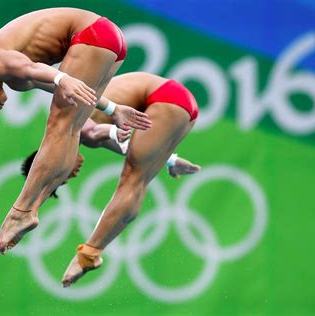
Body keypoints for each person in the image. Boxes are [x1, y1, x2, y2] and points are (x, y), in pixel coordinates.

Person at [0, 8, 152, 254]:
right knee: (71, 128)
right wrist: (113, 108)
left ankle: (20, 210)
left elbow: (33, 69)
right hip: (110, 40)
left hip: (92, 34)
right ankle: (33, 207)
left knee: (59, 126)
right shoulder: (13, 80)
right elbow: (59, 84)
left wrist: (62, 79)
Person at [20, 72, 200, 286]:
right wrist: (169, 160)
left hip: (166, 97)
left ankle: (89, 254)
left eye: (64, 176)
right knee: (136, 175)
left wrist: (113, 131)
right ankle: (90, 253)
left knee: (133, 180)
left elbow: (95, 130)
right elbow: (131, 149)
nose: (74, 174)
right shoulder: (81, 138)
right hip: (180, 104)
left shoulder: (70, 127)